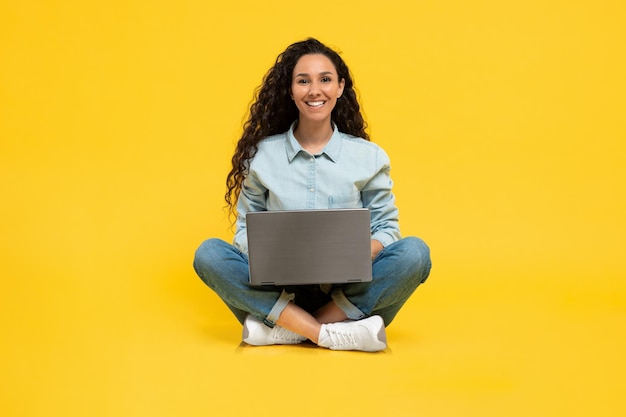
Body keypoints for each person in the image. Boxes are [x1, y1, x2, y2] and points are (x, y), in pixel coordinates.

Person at [193, 38, 431, 352]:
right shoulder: (262, 156)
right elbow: (243, 232)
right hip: (278, 289)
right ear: (290, 90)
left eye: (325, 79)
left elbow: (388, 232)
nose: (314, 90)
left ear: (340, 87)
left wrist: (347, 253)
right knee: (208, 254)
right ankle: (329, 334)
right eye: (303, 81)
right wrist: (278, 256)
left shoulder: (370, 158)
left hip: (347, 290)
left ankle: (287, 328)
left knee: (415, 254)